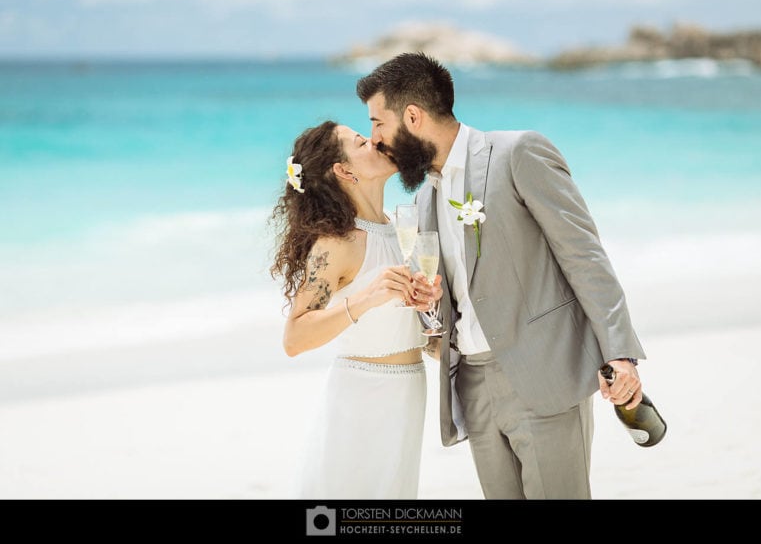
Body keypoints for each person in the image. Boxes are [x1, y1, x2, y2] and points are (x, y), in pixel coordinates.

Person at [356, 53, 647, 499]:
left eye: (379, 123)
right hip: (472, 386)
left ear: (412, 116)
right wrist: (429, 304)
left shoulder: (517, 154)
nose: (375, 140)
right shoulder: (425, 202)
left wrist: (621, 353)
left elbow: (584, 255)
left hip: (543, 374)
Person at [270, 120, 443, 499]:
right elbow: (294, 339)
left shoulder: (400, 229)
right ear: (344, 171)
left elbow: (414, 338)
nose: (377, 141)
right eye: (362, 141)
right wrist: (366, 299)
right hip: (361, 400)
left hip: (408, 395)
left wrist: (429, 315)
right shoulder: (337, 243)